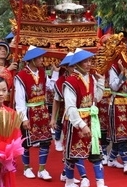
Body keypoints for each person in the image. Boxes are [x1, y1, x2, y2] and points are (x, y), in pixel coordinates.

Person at [63, 48, 107, 187]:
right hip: (76, 121)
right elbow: (70, 107)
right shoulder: (70, 81)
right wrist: (81, 124)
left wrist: (101, 82)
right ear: (77, 64)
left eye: (89, 61)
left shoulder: (92, 78)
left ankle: (100, 182)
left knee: (95, 151)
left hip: (92, 119)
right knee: (73, 153)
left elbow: (97, 98)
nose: (89, 64)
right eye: (85, 61)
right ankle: (69, 181)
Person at [15, 45, 58, 180]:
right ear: (32, 60)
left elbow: (50, 87)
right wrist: (23, 118)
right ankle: (27, 167)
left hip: (43, 110)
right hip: (29, 111)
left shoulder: (42, 72)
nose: (42, 60)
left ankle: (42, 169)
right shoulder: (21, 76)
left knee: (45, 140)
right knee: (27, 142)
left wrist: (55, 73)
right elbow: (19, 99)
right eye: (39, 57)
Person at [50, 52, 89, 186]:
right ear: (67, 67)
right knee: (72, 148)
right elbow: (56, 101)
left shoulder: (84, 78)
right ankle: (81, 176)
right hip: (65, 116)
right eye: (72, 66)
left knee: (75, 148)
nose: (74, 69)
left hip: (80, 117)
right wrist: (53, 119)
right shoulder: (62, 81)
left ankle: (66, 174)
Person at [107, 46, 127, 174]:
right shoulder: (114, 67)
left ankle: (111, 158)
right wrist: (122, 74)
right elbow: (114, 86)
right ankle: (126, 162)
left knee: (123, 136)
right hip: (117, 103)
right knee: (120, 135)